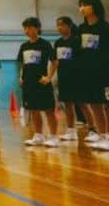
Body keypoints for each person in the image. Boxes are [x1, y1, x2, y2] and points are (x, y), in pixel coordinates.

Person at [76, 0, 109, 151]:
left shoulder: (105, 28)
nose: (81, 8)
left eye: (85, 5)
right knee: (95, 105)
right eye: (80, 5)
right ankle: (103, 135)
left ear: (94, 7)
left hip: (105, 73)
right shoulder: (81, 29)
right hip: (88, 75)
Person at [18, 17, 57, 147]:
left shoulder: (44, 44)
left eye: (29, 27)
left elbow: (54, 61)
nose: (26, 30)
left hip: (42, 83)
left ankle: (53, 136)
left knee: (48, 110)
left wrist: (49, 77)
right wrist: (21, 77)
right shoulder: (24, 46)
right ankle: (38, 135)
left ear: (37, 28)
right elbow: (22, 63)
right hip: (28, 84)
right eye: (25, 28)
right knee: (33, 110)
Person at [52, 16, 85, 143]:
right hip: (63, 76)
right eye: (58, 25)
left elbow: (82, 59)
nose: (59, 28)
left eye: (62, 25)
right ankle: (71, 131)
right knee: (68, 104)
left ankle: (93, 129)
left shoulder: (77, 41)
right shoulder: (58, 43)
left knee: (82, 103)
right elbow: (56, 61)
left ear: (69, 26)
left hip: (77, 76)